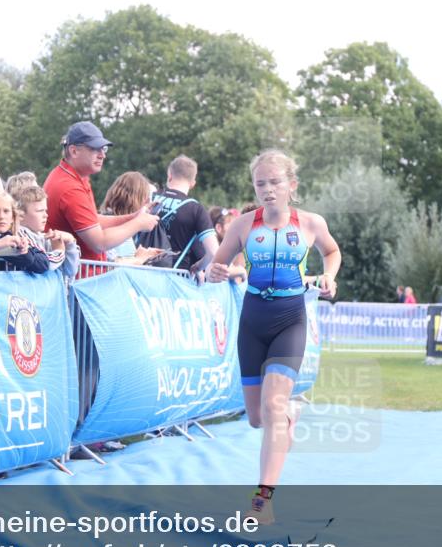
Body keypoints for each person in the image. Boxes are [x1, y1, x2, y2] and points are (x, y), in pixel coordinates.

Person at [207, 149, 341, 525]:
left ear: (291, 185)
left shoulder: (311, 223)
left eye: (275, 182)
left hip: (289, 320)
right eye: (260, 183)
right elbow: (219, 262)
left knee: (273, 406)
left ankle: (263, 500)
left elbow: (332, 251)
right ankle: (290, 413)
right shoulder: (243, 226)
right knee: (256, 418)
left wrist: (329, 275)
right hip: (253, 321)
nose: (267, 190)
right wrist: (216, 272)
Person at [43, 121, 158, 263]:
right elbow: (100, 243)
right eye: (95, 149)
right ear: (74, 151)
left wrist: (133, 217)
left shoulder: (73, 176)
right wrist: (138, 224)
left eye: (103, 149)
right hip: (77, 279)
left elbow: (92, 220)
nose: (102, 155)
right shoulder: (70, 187)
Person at [145, 154, 219, 271]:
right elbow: (214, 253)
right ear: (193, 183)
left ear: (169, 175)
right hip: (175, 276)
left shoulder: (149, 198)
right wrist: (199, 267)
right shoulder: (196, 209)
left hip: (141, 272)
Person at [0, 191, 50, 273]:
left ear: (13, 217)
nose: (1, 217)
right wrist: (25, 251)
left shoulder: (12, 236)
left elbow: (44, 264)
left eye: (6, 211)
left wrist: (26, 250)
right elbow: (26, 259)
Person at [100, 171, 166, 266]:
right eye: (146, 198)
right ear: (134, 199)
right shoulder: (114, 226)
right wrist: (141, 258)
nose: (148, 202)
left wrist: (140, 255)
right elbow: (112, 264)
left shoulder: (110, 221)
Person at [15, 184, 80, 278]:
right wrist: (59, 251)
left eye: (45, 210)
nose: (46, 215)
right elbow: (43, 263)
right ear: (21, 215)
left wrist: (70, 242)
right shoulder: (20, 234)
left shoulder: (45, 238)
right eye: (39, 211)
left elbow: (70, 271)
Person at [210, 206, 247, 282]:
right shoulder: (211, 252)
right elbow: (221, 271)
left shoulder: (237, 250)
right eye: (233, 226)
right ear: (219, 228)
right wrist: (241, 271)